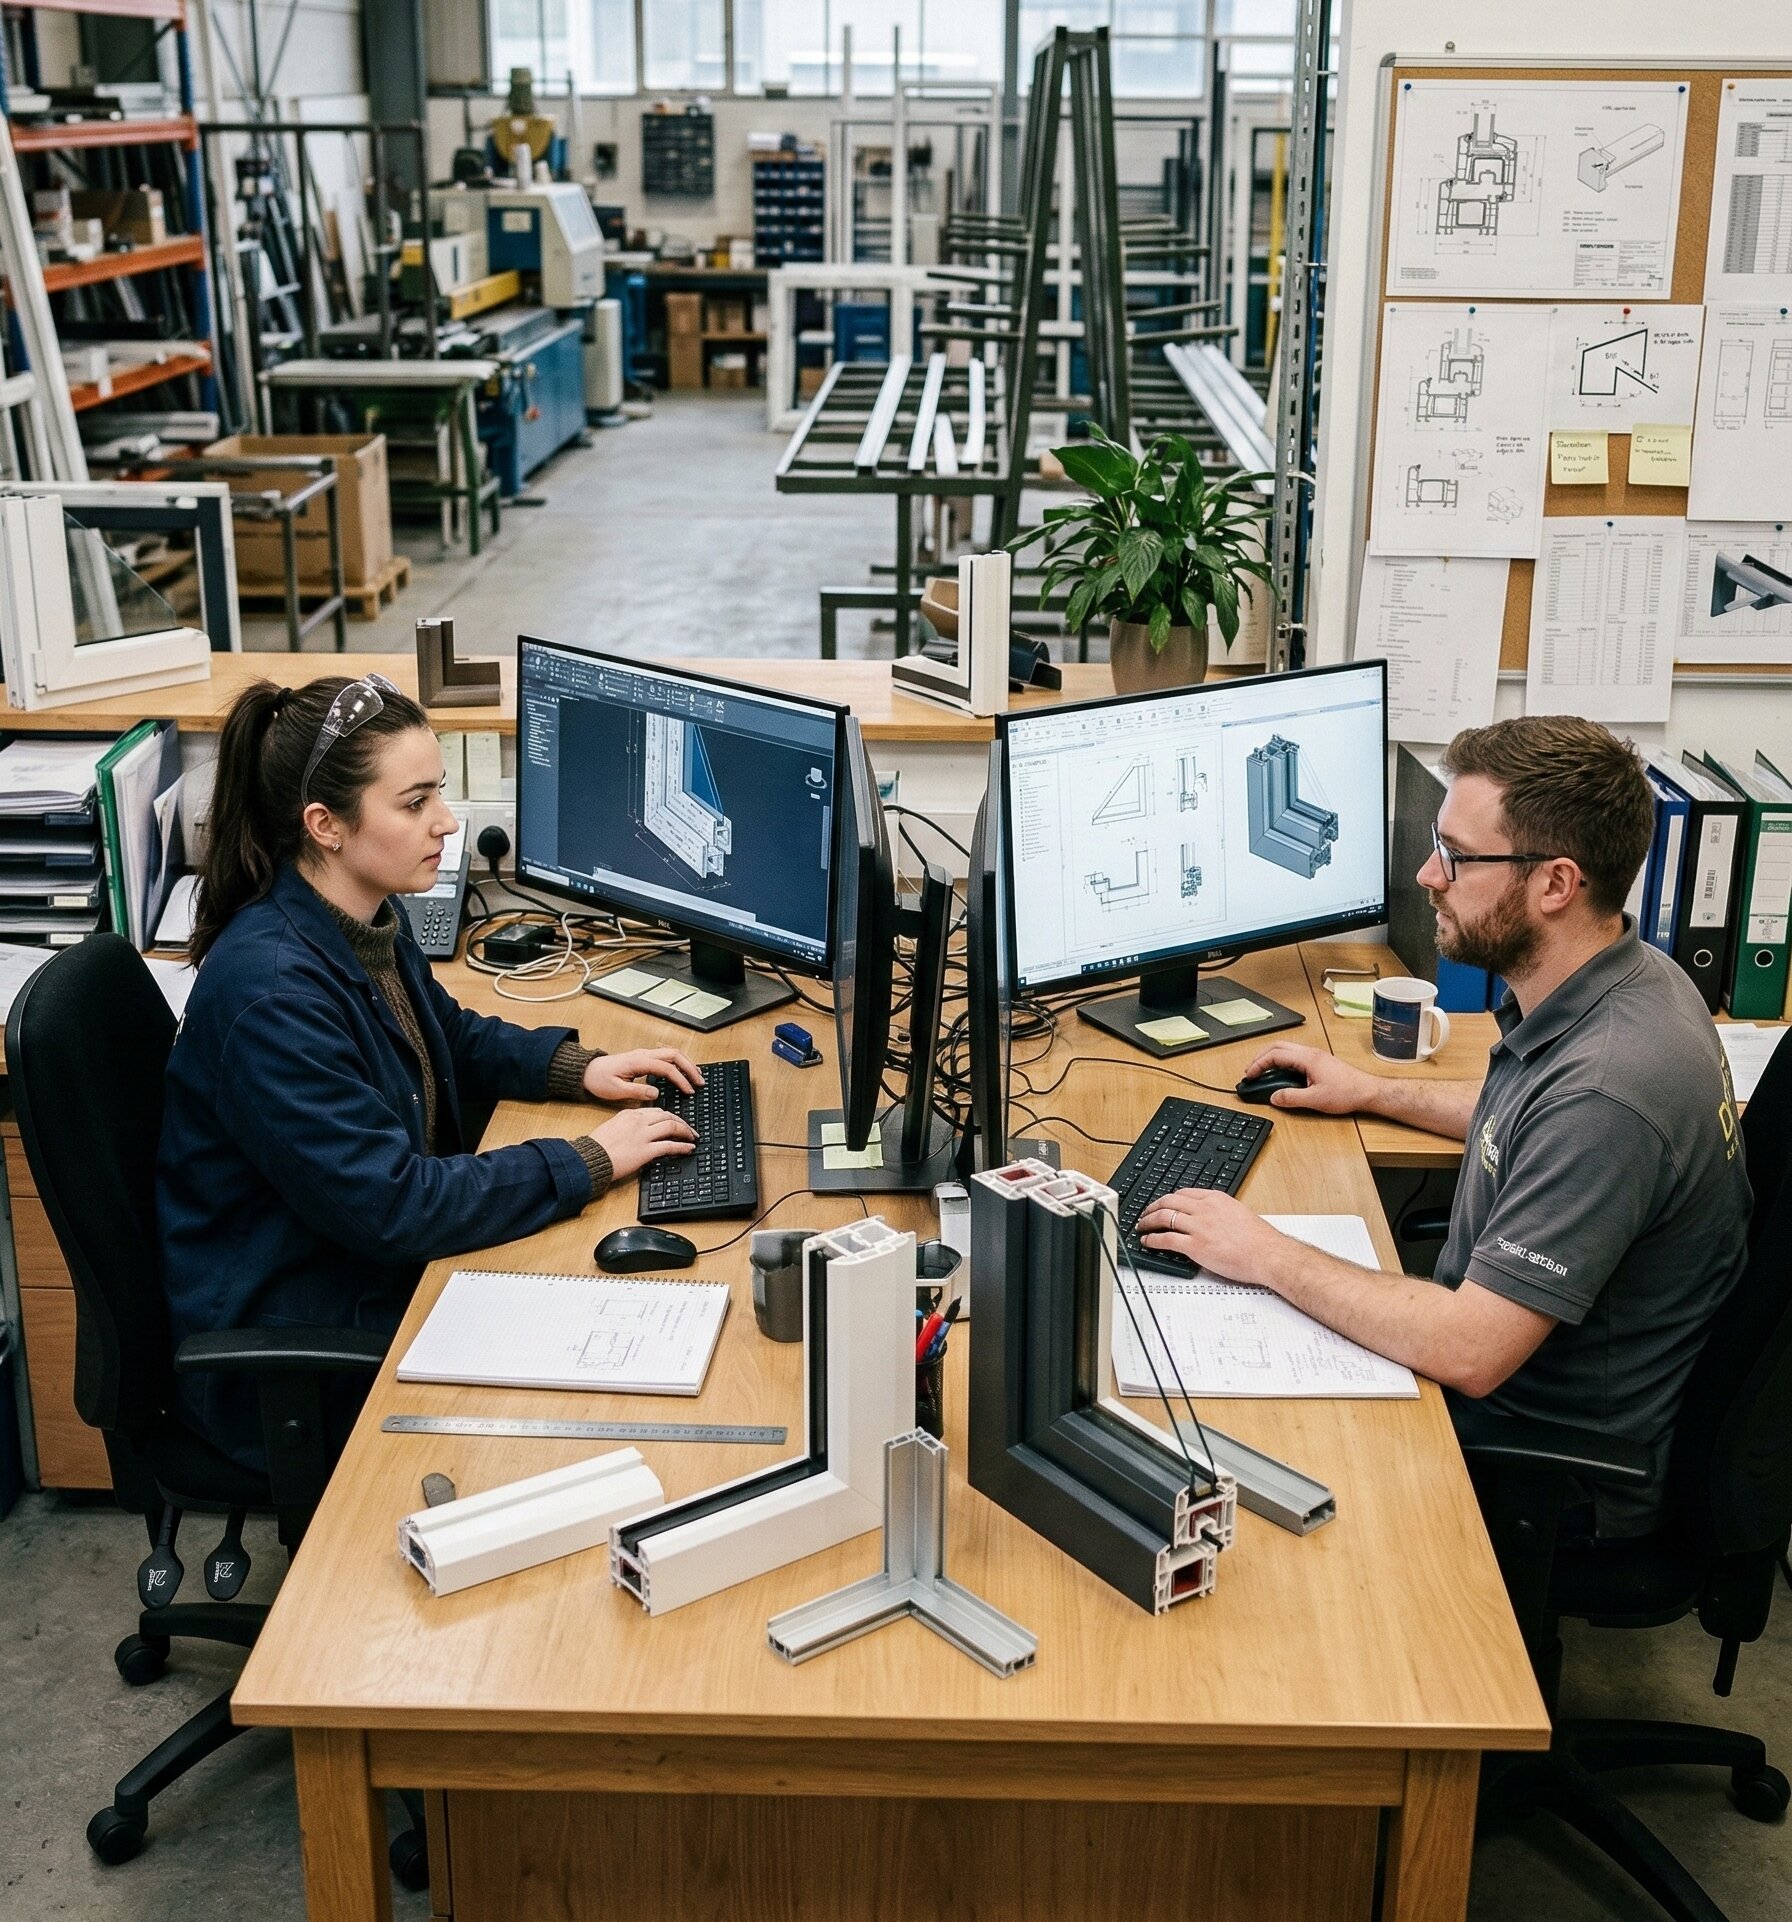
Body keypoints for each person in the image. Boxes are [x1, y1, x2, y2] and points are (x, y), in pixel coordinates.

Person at [1137, 715, 1751, 1535]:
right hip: (1508, 1375)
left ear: (1556, 884)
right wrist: (1374, 1090)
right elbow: (1534, 1128)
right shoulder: (1633, 977)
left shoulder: (1609, 1094)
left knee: (1208, 1448)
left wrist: (1264, 1252)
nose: (1428, 874)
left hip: (1540, 1458)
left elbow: (1470, 1349)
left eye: (1457, 857)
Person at [158, 672, 702, 1466]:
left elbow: (443, 1034)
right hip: (300, 1335)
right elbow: (394, 1206)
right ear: (326, 825)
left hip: (355, 1264)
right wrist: (590, 1158)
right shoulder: (271, 995)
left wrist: (578, 1069)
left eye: (438, 794)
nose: (446, 823)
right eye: (414, 804)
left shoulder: (358, 914)